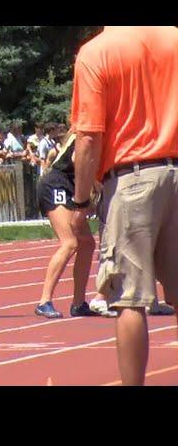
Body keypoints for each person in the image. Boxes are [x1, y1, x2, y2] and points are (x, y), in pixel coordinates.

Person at [70, 26, 178, 386]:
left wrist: (81, 199)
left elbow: (88, 135)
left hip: (132, 177)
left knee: (128, 299)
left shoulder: (96, 52)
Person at [34, 129, 116, 319]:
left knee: (87, 243)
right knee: (70, 243)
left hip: (70, 185)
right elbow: (77, 158)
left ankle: (79, 303)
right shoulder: (89, 131)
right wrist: (93, 187)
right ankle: (44, 301)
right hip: (55, 183)